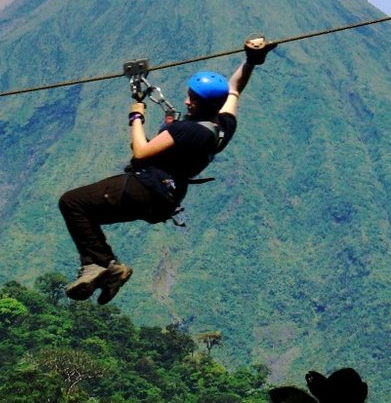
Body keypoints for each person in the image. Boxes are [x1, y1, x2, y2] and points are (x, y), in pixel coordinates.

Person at [59, 37, 275, 304]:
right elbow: (235, 89)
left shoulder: (186, 130)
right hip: (166, 200)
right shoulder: (222, 127)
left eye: (192, 98)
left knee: (72, 202)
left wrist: (136, 115)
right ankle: (102, 266)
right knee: (86, 213)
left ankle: (103, 265)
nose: (187, 101)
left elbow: (141, 151)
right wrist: (251, 60)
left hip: (144, 188)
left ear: (198, 103)